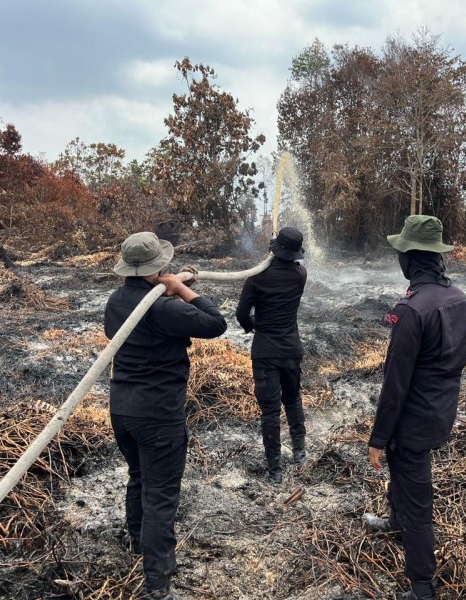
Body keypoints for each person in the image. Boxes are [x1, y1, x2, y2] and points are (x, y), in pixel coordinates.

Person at [104, 231, 227, 600]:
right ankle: (158, 584)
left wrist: (169, 286)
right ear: (157, 267)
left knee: (138, 476)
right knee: (161, 495)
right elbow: (216, 323)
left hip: (122, 410)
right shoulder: (164, 308)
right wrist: (183, 289)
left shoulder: (115, 301)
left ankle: (136, 542)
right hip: (157, 415)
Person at [365, 215, 466, 600]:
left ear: (409, 260)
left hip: (412, 418)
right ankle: (395, 522)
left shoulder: (409, 310)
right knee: (405, 471)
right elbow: (457, 361)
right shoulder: (459, 298)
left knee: (417, 494)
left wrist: (378, 438)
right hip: (442, 411)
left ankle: (422, 585)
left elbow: (395, 385)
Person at [235, 227, 308, 484]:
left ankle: (275, 469)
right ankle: (300, 452)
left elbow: (241, 315)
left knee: (270, 412)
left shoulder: (257, 278)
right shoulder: (301, 275)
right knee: (293, 400)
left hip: (265, 351)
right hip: (291, 349)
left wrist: (253, 325)